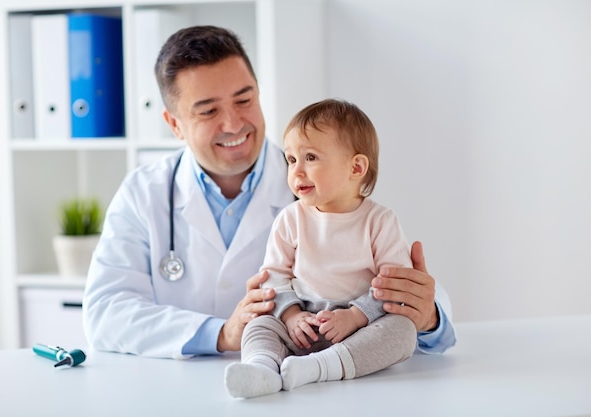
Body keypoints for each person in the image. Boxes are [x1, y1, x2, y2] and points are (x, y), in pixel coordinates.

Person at [82, 25, 456, 360]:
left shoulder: (326, 182)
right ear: (174, 124)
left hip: (313, 386)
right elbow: (105, 311)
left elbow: (415, 305)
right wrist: (222, 334)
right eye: (208, 111)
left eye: (244, 100)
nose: (233, 124)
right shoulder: (144, 193)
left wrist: (429, 315)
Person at [224, 99, 417, 398]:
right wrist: (290, 317)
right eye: (291, 160)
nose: (297, 171)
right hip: (301, 321)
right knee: (259, 324)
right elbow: (272, 276)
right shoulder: (290, 218)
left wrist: (355, 316)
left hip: (356, 328)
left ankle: (320, 367)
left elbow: (393, 285)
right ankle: (262, 369)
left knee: (403, 331)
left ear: (356, 167)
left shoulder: (380, 221)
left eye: (310, 157)